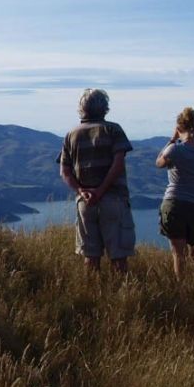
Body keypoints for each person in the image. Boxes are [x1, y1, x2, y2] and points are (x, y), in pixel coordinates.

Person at [58, 89, 136, 273]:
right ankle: (122, 297)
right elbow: (118, 166)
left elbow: (65, 171)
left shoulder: (71, 134)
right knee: (118, 256)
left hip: (85, 203)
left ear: (82, 108)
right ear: (105, 108)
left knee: (90, 256)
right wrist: (100, 191)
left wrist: (81, 191)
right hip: (113, 200)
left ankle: (91, 295)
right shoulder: (113, 130)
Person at [155, 107, 194, 280]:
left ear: (178, 128)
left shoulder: (174, 149)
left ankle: (181, 290)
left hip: (174, 204)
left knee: (178, 255)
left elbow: (158, 163)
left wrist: (171, 140)